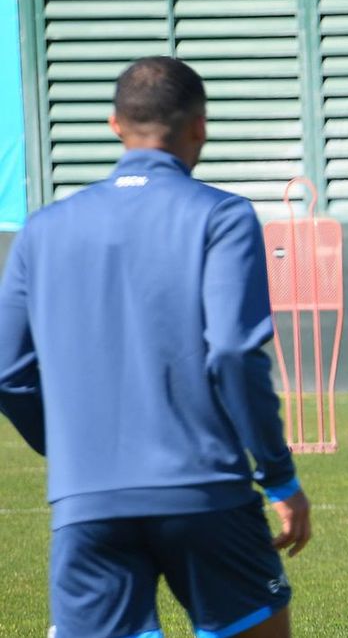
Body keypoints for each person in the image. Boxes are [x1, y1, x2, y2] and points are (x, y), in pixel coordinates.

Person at [0, 56, 311, 638]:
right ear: (200, 127)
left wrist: (74, 455)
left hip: (87, 500)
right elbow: (233, 354)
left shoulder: (41, 229)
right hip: (205, 492)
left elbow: (8, 374)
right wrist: (279, 478)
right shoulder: (222, 215)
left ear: (116, 126)